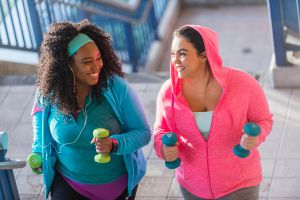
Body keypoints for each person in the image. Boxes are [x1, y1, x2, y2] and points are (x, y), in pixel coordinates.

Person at [29, 20, 151, 200]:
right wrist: (38, 150)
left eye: (99, 58)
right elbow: (39, 114)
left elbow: (144, 133)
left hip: (116, 189)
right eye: (87, 62)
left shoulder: (117, 87)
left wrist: (114, 144)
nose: (97, 66)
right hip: (68, 184)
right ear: (67, 65)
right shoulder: (50, 90)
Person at [154, 25, 273, 200]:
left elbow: (264, 120)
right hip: (192, 187)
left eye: (182, 53)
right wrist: (164, 149)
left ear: (204, 55)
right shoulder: (167, 92)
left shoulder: (243, 84)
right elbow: (160, 131)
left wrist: (256, 137)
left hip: (240, 185)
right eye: (173, 54)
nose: (175, 61)